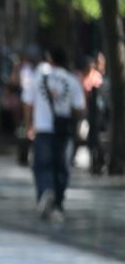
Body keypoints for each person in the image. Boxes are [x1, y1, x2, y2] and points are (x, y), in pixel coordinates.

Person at [23, 48, 85, 223]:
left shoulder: (39, 78)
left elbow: (27, 102)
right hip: (63, 130)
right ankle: (57, 204)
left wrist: (29, 125)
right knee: (61, 168)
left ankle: (45, 192)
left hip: (42, 128)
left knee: (42, 166)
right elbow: (80, 107)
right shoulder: (72, 81)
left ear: (50, 59)